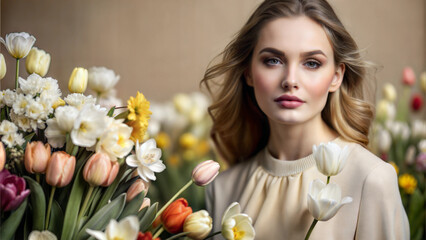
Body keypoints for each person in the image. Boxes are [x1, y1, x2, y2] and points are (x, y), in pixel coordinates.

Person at [201, 0, 409, 239]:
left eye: (311, 63)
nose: (290, 80)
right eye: (273, 60)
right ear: (248, 72)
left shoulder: (371, 179)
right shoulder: (222, 188)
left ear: (336, 76)